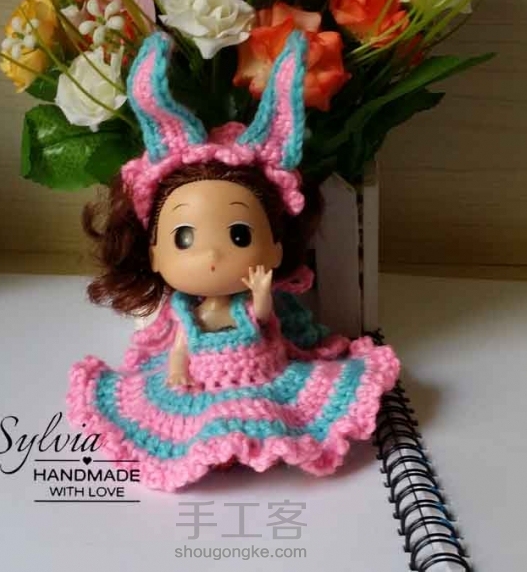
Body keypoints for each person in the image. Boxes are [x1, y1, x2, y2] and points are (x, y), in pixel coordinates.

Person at [67, 30, 400, 492]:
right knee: (192, 421)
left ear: (277, 247)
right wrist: (178, 368)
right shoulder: (185, 312)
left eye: (239, 235)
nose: (211, 255)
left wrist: (262, 293)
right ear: (154, 252)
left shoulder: (252, 302)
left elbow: (263, 320)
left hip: (266, 375)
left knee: (279, 412)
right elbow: (180, 347)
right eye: (184, 237)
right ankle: (215, 446)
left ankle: (255, 439)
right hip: (199, 383)